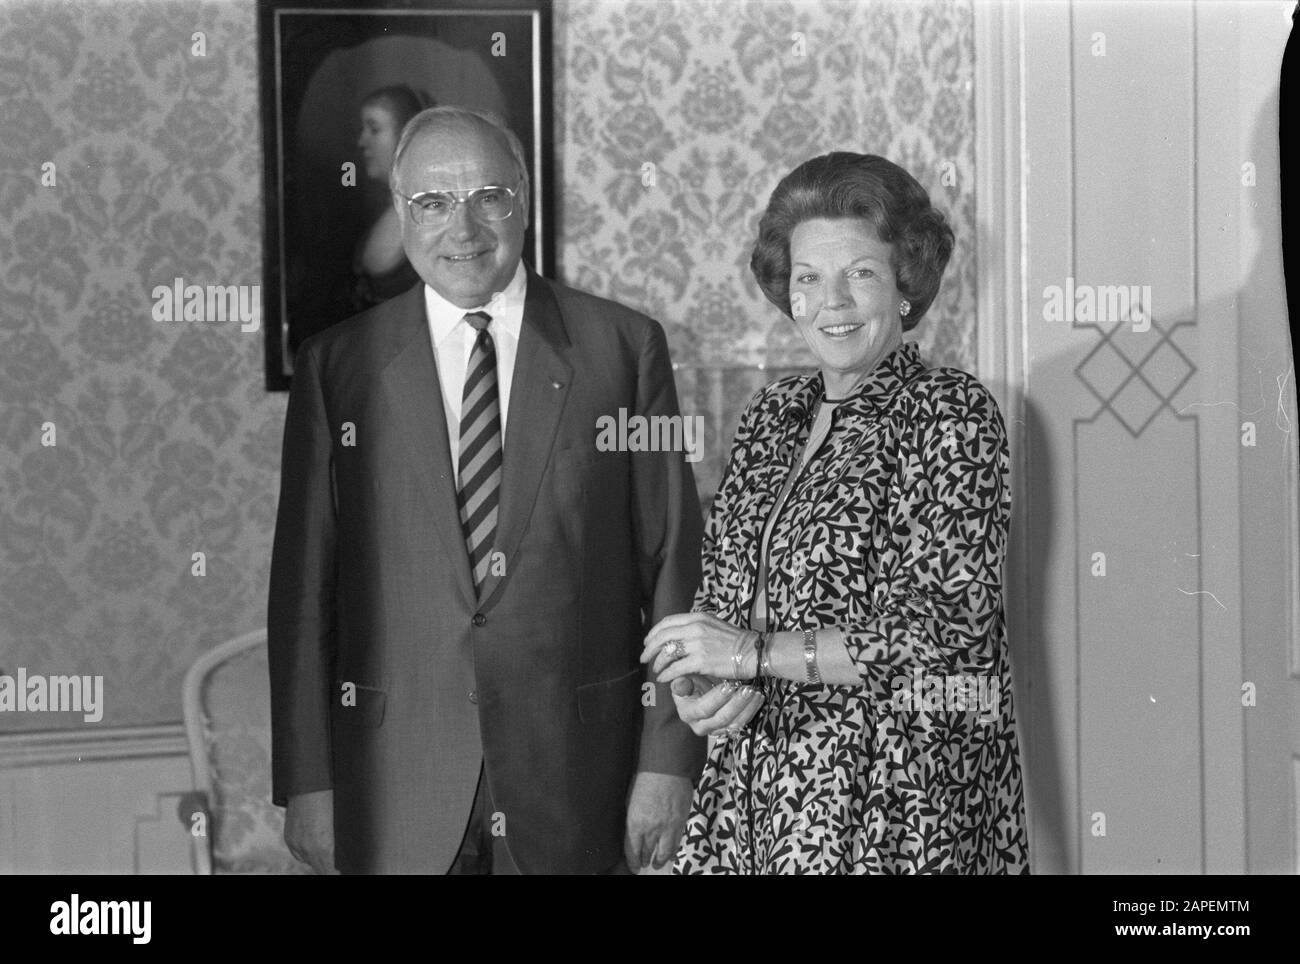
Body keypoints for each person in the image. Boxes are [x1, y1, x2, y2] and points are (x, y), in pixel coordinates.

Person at [268, 106, 705, 874]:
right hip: (390, 787)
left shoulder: (625, 348)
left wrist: (668, 760)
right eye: (432, 203)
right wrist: (307, 783)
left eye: (488, 197)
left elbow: (674, 563)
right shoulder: (338, 366)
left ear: (524, 198)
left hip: (576, 783)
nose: (462, 227)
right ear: (401, 213)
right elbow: (305, 590)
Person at [643, 152, 1030, 874]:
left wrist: (751, 655)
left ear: (906, 287)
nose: (834, 303)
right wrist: (703, 685)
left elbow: (944, 635)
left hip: (894, 801)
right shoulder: (770, 416)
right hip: (755, 789)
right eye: (809, 278)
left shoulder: (949, 411)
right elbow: (726, 605)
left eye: (860, 273)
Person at [348, 85, 425, 314]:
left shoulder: (429, 216)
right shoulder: (385, 213)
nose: (362, 141)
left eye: (374, 129)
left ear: (405, 136)